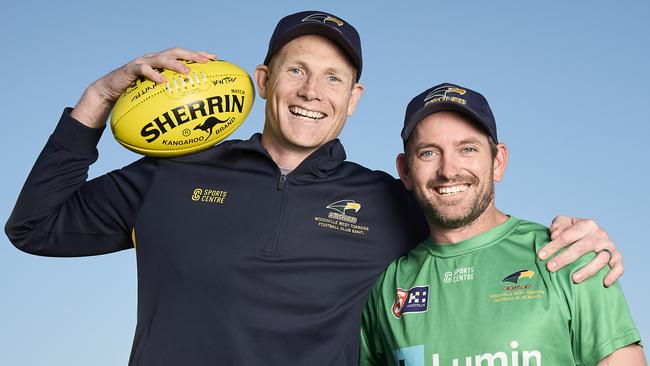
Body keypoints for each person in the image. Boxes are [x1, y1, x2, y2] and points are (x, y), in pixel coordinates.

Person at [5, 11, 622, 366]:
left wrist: (576, 236)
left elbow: (466, 214)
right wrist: (96, 99)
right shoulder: (172, 173)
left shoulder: (388, 198)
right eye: (296, 70)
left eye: (333, 78)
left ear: (353, 101)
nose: (311, 91)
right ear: (264, 78)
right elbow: (34, 228)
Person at [359, 83, 645, 365]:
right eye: (428, 153)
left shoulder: (570, 255)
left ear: (498, 162)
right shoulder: (388, 288)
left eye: (467, 149)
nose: (449, 170)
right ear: (405, 171)